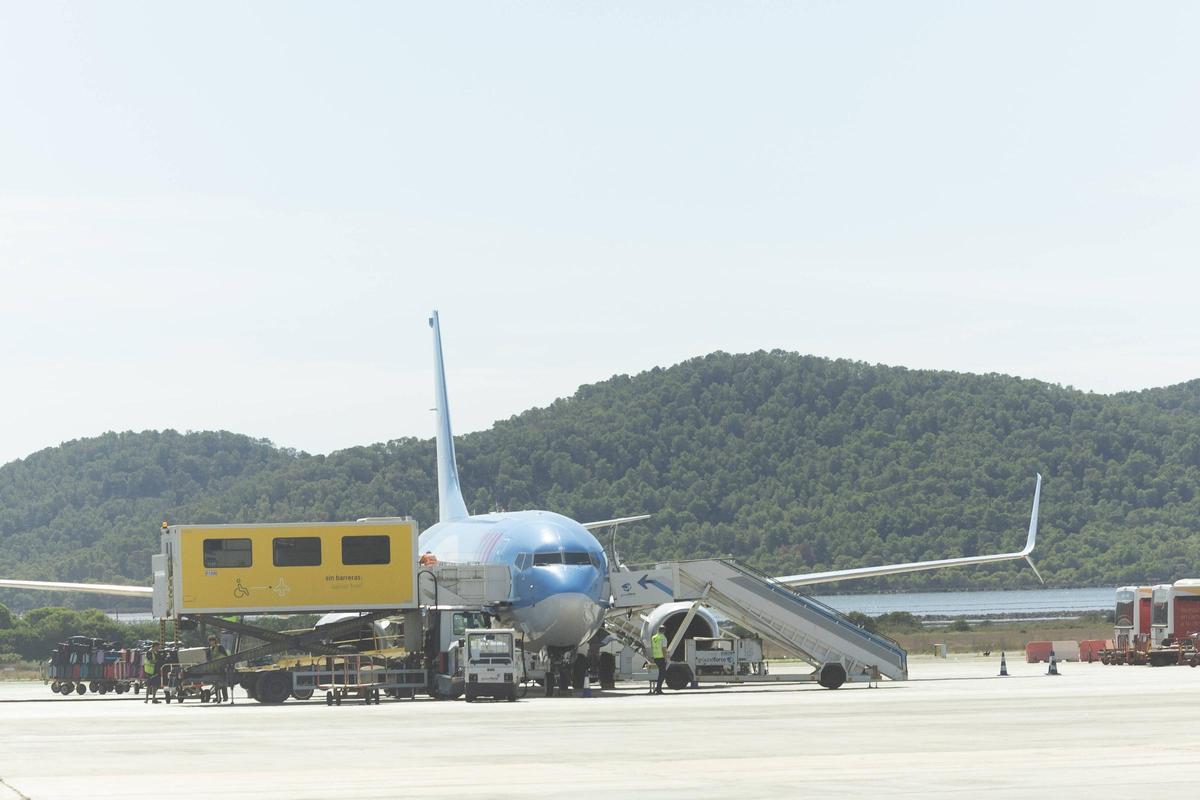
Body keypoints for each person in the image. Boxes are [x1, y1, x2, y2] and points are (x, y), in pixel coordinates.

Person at [207, 636, 229, 702]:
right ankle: (218, 697)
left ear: (215, 641)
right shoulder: (210, 648)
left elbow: (225, 655)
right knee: (216, 683)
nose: (211, 642)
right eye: (210, 641)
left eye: (212, 641)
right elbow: (209, 658)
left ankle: (225, 697)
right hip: (214, 668)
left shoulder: (220, 647)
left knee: (223, 682)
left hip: (221, 667)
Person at [650, 630, 669, 695]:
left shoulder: (653, 637)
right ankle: (658, 689)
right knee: (662, 674)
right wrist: (666, 657)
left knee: (661, 674)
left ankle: (658, 689)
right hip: (661, 658)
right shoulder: (663, 638)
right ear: (664, 631)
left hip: (656, 658)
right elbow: (663, 649)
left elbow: (653, 647)